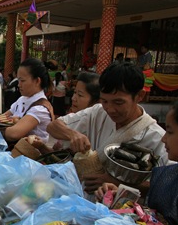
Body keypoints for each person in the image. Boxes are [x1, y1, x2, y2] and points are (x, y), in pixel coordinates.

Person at [46, 62, 169, 195]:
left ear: (139, 96)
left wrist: (118, 183)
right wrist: (72, 134)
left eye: (118, 102)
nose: (110, 109)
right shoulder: (97, 112)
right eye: (104, 101)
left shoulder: (157, 138)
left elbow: (167, 186)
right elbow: (53, 126)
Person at [95, 96, 178, 225]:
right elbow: (155, 213)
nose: (164, 138)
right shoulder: (174, 173)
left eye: (170, 132)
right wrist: (122, 197)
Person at [0, 58, 55, 144]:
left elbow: (14, 133)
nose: (19, 85)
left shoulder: (40, 108)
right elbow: (4, 117)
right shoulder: (22, 99)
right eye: (18, 80)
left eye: (22, 81)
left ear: (37, 81)